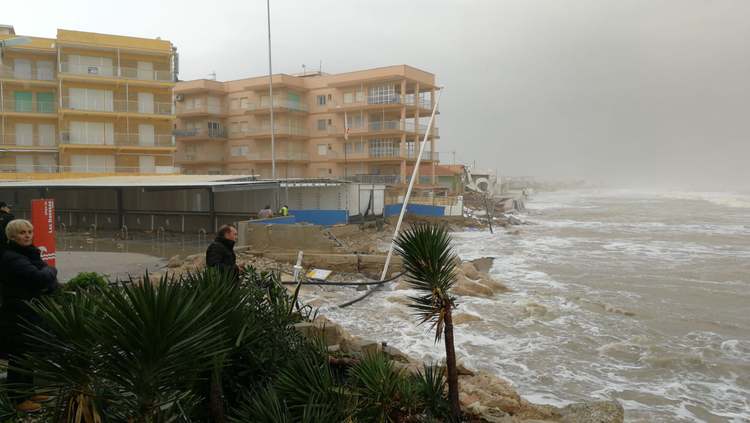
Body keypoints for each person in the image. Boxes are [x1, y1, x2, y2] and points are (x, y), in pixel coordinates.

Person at [0, 219, 59, 413]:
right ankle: (17, 399)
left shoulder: (29, 253)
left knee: (28, 352)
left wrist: (46, 276)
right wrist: (51, 269)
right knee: (18, 355)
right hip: (17, 313)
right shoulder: (12, 257)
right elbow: (41, 278)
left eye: (29, 231)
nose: (27, 235)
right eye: (22, 232)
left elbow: (49, 284)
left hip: (29, 311)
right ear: (12, 236)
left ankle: (28, 391)